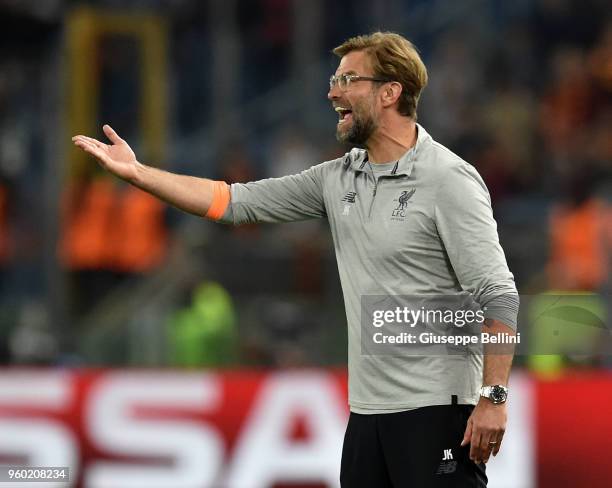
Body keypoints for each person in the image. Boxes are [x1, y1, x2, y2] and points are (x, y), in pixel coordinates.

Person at [73, 31, 518, 488]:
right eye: (334, 78)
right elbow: (233, 201)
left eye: (348, 79)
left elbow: (499, 295)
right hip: (367, 415)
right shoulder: (337, 177)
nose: (332, 92)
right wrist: (138, 173)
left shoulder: (448, 179)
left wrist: (493, 398)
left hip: (438, 411)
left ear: (390, 92)